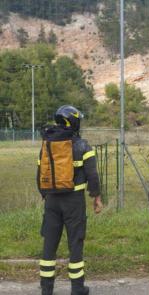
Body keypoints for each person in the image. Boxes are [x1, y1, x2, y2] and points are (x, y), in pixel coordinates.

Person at [37, 105, 103, 295]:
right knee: (75, 243)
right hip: (74, 201)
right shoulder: (83, 146)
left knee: (49, 245)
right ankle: (77, 288)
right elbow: (93, 176)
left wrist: (45, 194)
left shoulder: (47, 144)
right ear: (73, 122)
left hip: (51, 200)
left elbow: (39, 174)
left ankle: (46, 289)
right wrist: (96, 197)